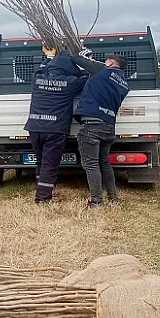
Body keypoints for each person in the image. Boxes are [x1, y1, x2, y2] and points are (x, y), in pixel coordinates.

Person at [23, 45, 88, 203]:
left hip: (34, 127)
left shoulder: (37, 79)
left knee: (40, 161)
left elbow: (40, 69)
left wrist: (49, 57)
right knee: (49, 165)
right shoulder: (70, 83)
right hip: (55, 130)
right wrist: (83, 61)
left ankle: (40, 189)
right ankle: (43, 199)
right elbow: (87, 78)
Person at [69, 48, 130, 207]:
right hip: (109, 126)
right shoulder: (124, 84)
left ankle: (97, 201)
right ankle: (113, 198)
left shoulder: (103, 70)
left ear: (110, 62)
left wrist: (84, 56)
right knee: (104, 162)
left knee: (91, 164)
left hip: (92, 125)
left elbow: (76, 59)